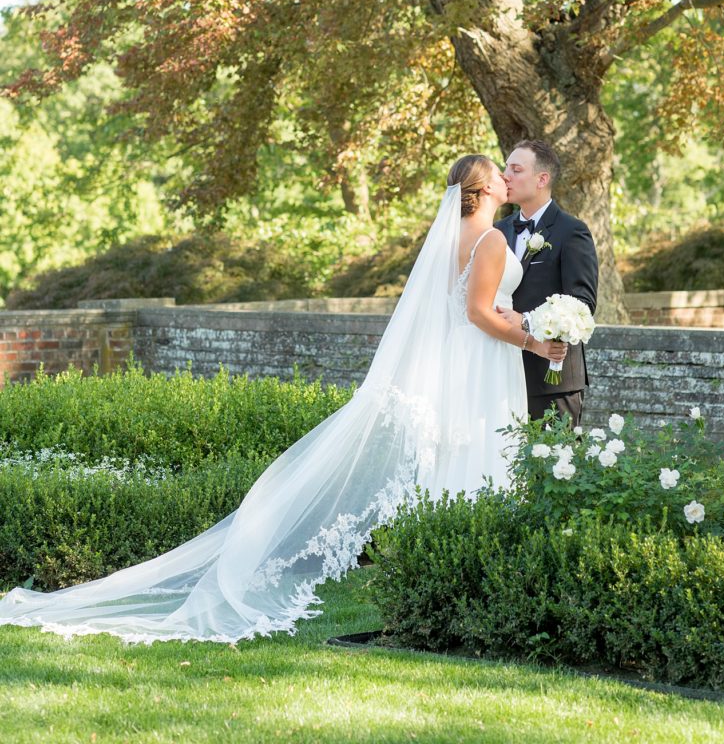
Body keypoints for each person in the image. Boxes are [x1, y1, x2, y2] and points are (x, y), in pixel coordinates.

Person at [0, 154, 565, 645]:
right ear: (485, 188)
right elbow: (476, 312)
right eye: (500, 174)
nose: (506, 179)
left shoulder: (450, 240)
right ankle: (464, 568)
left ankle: (445, 567)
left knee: (457, 457)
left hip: (462, 360)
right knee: (476, 451)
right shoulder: (490, 237)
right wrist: (533, 338)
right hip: (478, 360)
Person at [496, 140, 598, 428]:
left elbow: (583, 305)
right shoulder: (498, 231)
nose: (506, 176)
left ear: (542, 179)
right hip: (500, 371)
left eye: (516, 169)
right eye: (506, 168)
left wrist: (526, 321)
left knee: (551, 469)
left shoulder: (572, 231)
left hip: (552, 377)